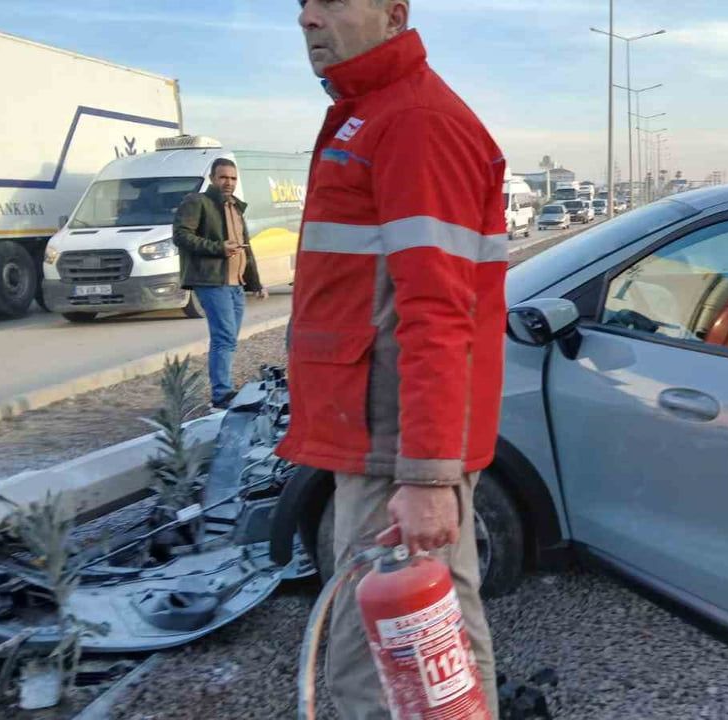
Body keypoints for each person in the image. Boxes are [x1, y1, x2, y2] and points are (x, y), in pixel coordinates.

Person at [277, 1, 507, 717]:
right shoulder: (369, 114)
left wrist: (430, 475)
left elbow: (439, 307)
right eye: (301, 3)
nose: (309, 19)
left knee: (394, 660)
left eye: (333, 1)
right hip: (377, 437)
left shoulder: (413, 122)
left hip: (396, 447)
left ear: (393, 14)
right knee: (400, 651)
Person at [173, 158, 267, 409]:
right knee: (224, 337)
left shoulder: (235, 207)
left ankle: (223, 391)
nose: (229, 182)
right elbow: (181, 236)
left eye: (233, 178)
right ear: (213, 178)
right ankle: (221, 395)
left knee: (229, 339)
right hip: (212, 281)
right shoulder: (198, 202)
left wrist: (256, 283)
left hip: (235, 283)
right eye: (223, 177)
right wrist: (218, 248)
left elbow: (246, 247)